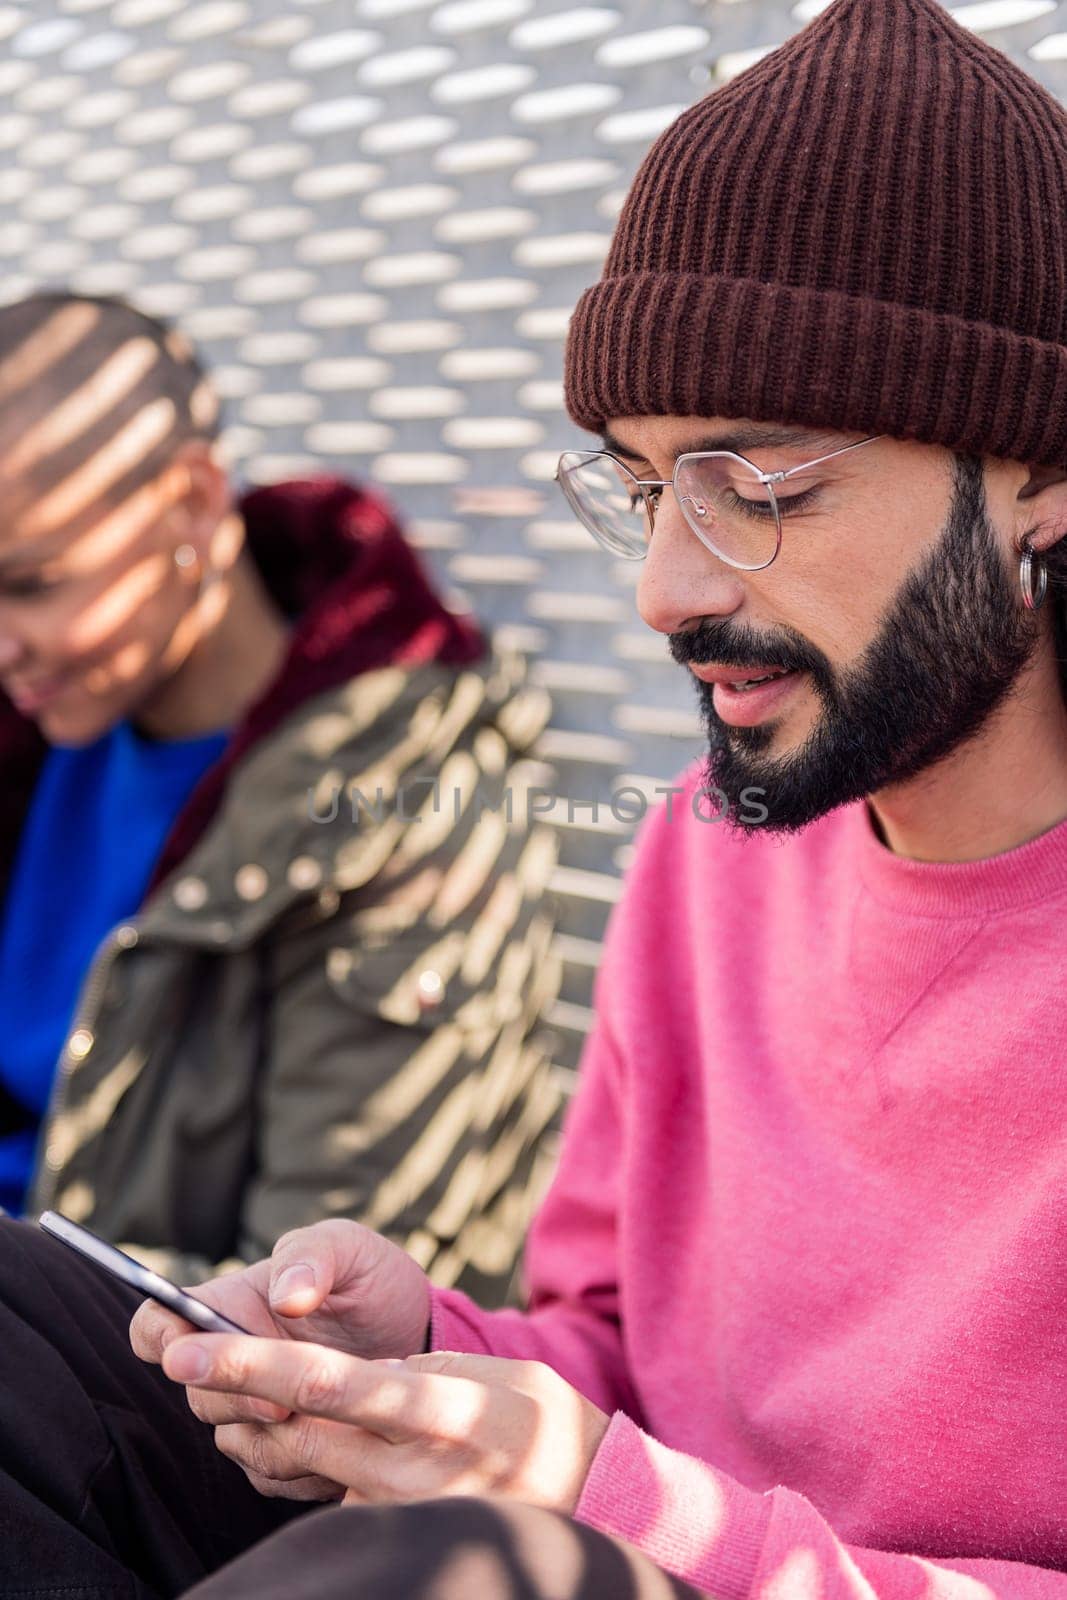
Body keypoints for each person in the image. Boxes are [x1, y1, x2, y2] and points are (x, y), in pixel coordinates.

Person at [5, 0, 1067, 1594]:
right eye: (642, 488)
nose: (660, 587)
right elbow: (613, 1347)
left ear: (1038, 477)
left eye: (758, 487)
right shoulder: (712, 847)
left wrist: (593, 1499)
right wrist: (427, 1344)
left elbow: (611, 1491)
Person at [0, 289, 561, 1300]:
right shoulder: (42, 731)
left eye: (31, 582)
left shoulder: (396, 812)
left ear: (187, 504)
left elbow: (319, 1317)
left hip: (135, 1403)